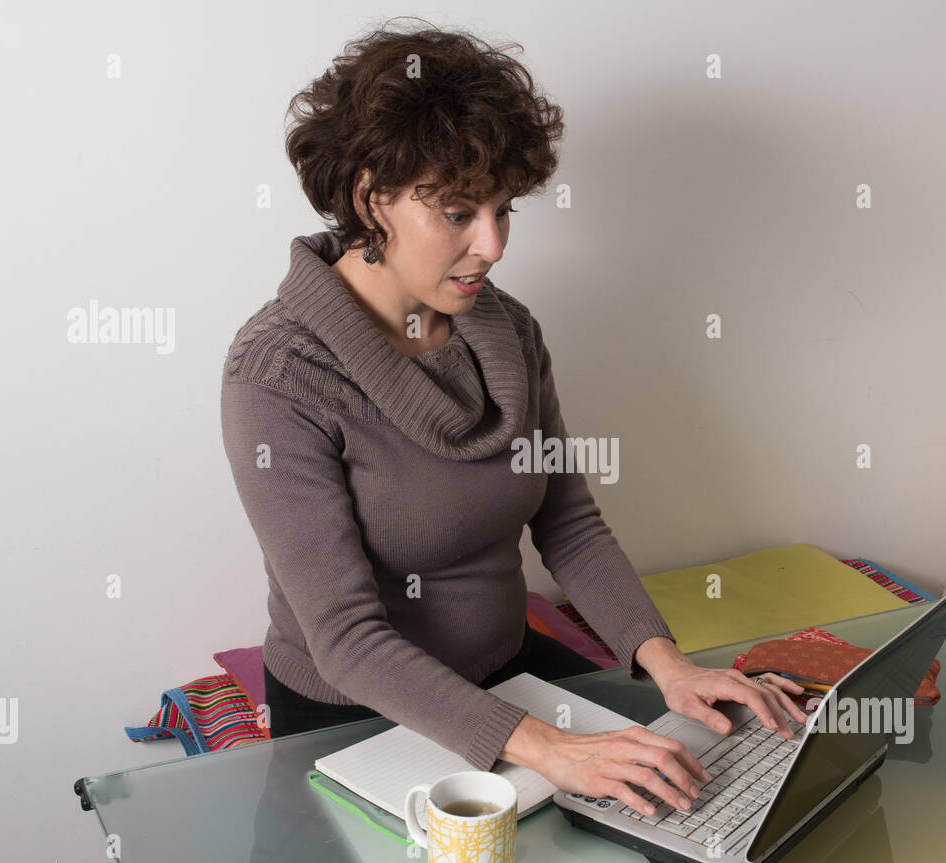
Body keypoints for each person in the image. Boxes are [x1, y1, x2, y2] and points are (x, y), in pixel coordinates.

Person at [221, 17, 806, 819]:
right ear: (368, 196)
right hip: (356, 713)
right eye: (459, 212)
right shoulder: (278, 376)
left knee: (708, 787)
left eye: (505, 211)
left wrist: (667, 662)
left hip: (509, 673)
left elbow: (568, 519)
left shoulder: (508, 331)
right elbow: (346, 639)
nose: (492, 244)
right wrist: (552, 749)